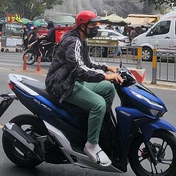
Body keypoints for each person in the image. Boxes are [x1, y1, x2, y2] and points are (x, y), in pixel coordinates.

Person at [45, 10, 123, 167]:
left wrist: (107, 67)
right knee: (98, 104)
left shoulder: (81, 40)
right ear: (82, 26)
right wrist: (104, 76)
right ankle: (91, 145)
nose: (96, 28)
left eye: (96, 24)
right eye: (93, 25)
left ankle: (95, 127)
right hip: (62, 85)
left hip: (73, 81)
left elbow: (87, 63)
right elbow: (78, 69)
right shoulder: (73, 42)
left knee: (108, 89)